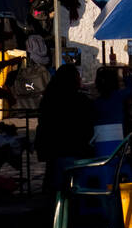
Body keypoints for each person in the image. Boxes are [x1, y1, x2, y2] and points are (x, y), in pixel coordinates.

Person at [35, 63, 94, 196]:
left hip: (52, 150)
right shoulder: (80, 101)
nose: (80, 80)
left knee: (54, 186)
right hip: (73, 151)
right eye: (78, 78)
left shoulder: (49, 98)